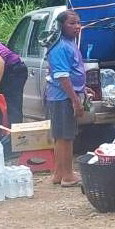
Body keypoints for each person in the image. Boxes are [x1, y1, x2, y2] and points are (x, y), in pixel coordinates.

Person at [46, 10, 86, 187]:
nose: (77, 26)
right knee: (66, 137)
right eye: (72, 23)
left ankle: (59, 173)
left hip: (64, 96)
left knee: (61, 136)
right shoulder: (60, 46)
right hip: (62, 97)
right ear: (61, 26)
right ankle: (68, 176)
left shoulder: (70, 43)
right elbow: (62, 76)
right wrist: (75, 100)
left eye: (78, 23)